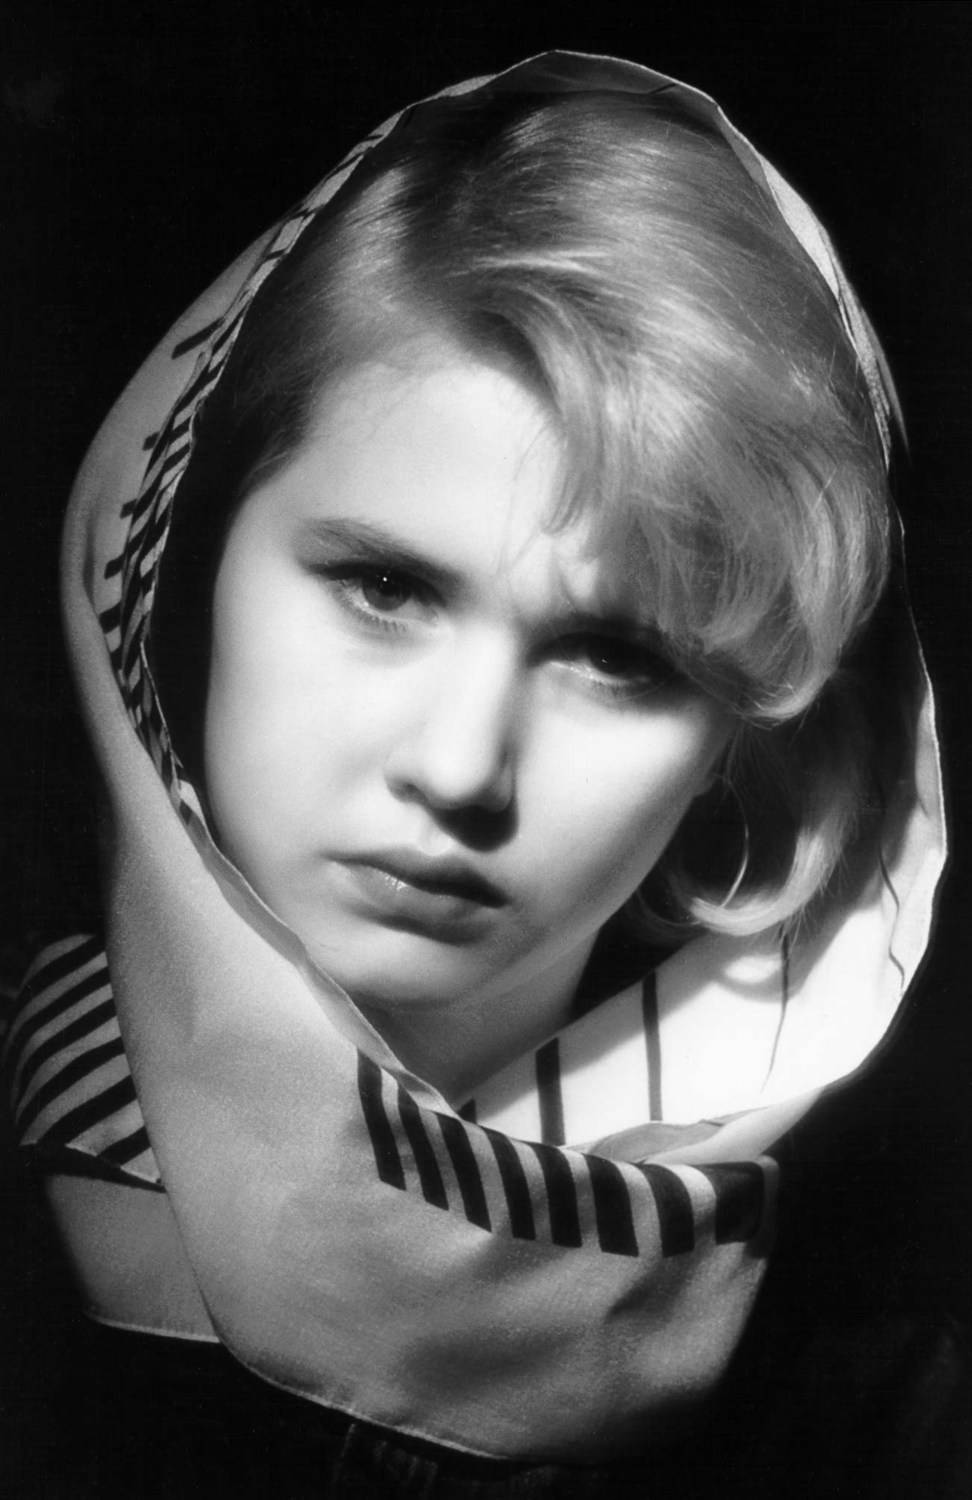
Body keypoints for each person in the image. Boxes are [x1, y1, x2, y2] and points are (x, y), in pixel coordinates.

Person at [2, 50, 965, 1497]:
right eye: (384, 587)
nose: (460, 768)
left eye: (619, 657)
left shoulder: (886, 1378)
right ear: (183, 572)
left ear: (745, 745)